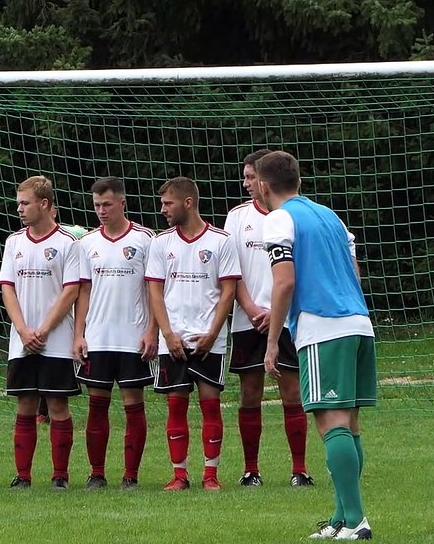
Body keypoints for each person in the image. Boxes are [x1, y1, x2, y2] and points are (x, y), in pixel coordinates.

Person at [258, 150, 376, 540]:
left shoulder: (279, 218)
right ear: (299, 181)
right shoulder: (331, 216)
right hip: (358, 322)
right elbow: (355, 271)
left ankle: (357, 521)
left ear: (262, 185)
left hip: (322, 325)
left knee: (331, 422)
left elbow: (285, 281)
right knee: (350, 424)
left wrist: (273, 340)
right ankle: (342, 516)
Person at [224, 149, 314, 488]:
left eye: (251, 177)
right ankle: (251, 470)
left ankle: (300, 470)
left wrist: (277, 311)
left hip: (288, 318)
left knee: (292, 391)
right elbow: (231, 271)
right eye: (245, 177)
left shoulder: (290, 216)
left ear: (265, 181)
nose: (246, 183)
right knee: (250, 393)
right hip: (249, 318)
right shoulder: (237, 218)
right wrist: (250, 309)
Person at [145, 177, 240, 491]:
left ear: (188, 202)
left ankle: (210, 474)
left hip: (208, 339)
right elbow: (155, 293)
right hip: (174, 339)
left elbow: (228, 291)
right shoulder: (161, 243)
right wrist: (168, 334)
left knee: (210, 403)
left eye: (168, 203)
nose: (163, 210)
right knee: (176, 405)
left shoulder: (221, 241)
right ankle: (180, 474)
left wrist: (213, 333)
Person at [72, 177, 158, 490]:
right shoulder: (87, 243)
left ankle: (131, 476)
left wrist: (152, 329)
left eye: (107, 204)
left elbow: (154, 289)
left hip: (133, 336)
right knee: (97, 405)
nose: (101, 211)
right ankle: (97, 473)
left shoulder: (146, 239)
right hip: (97, 337)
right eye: (96, 205)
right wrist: (78, 334)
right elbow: (83, 290)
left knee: (133, 404)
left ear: (122, 203)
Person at [0, 175, 83, 490]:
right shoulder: (14, 241)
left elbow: (71, 290)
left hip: (56, 340)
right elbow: (7, 288)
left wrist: (44, 330)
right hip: (22, 340)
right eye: (18, 203)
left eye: (25, 203)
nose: (19, 209)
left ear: (44, 204)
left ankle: (60, 476)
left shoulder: (68, 243)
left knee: (58, 405)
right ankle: (23, 476)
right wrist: (22, 330)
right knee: (25, 405)